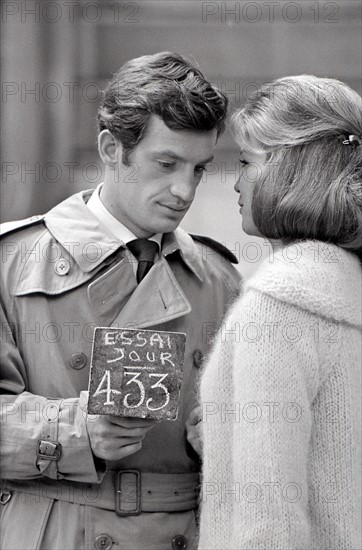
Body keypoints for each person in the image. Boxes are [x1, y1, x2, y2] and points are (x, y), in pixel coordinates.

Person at [0, 52, 241, 550]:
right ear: (112, 149)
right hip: (55, 530)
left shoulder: (221, 280)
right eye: (167, 163)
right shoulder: (11, 263)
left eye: (198, 169)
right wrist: (75, 433)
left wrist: (222, 440)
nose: (184, 190)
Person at [198, 75, 362, 549]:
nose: (235, 183)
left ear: (289, 170)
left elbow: (268, 518)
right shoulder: (344, 287)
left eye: (247, 163)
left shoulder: (278, 308)